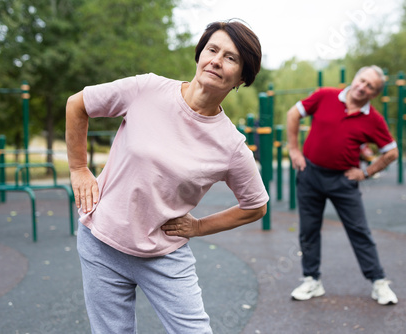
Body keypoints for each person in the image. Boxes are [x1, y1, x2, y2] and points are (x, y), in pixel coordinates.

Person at [65, 20, 268, 333]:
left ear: (243, 77)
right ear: (200, 56)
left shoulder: (232, 146)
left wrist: (199, 226)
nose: (216, 60)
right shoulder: (147, 89)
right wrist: (79, 168)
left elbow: (255, 206)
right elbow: (77, 104)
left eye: (230, 57)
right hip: (101, 241)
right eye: (212, 49)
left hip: (163, 256)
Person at [286, 65, 399, 305]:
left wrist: (366, 172)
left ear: (374, 93)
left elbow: (391, 152)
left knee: (359, 231)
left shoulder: (373, 119)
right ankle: (311, 280)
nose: (362, 87)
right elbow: (292, 114)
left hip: (343, 181)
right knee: (309, 230)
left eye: (370, 86)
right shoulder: (325, 96)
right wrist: (294, 150)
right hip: (310, 174)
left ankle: (378, 282)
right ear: (355, 78)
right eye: (362, 80)